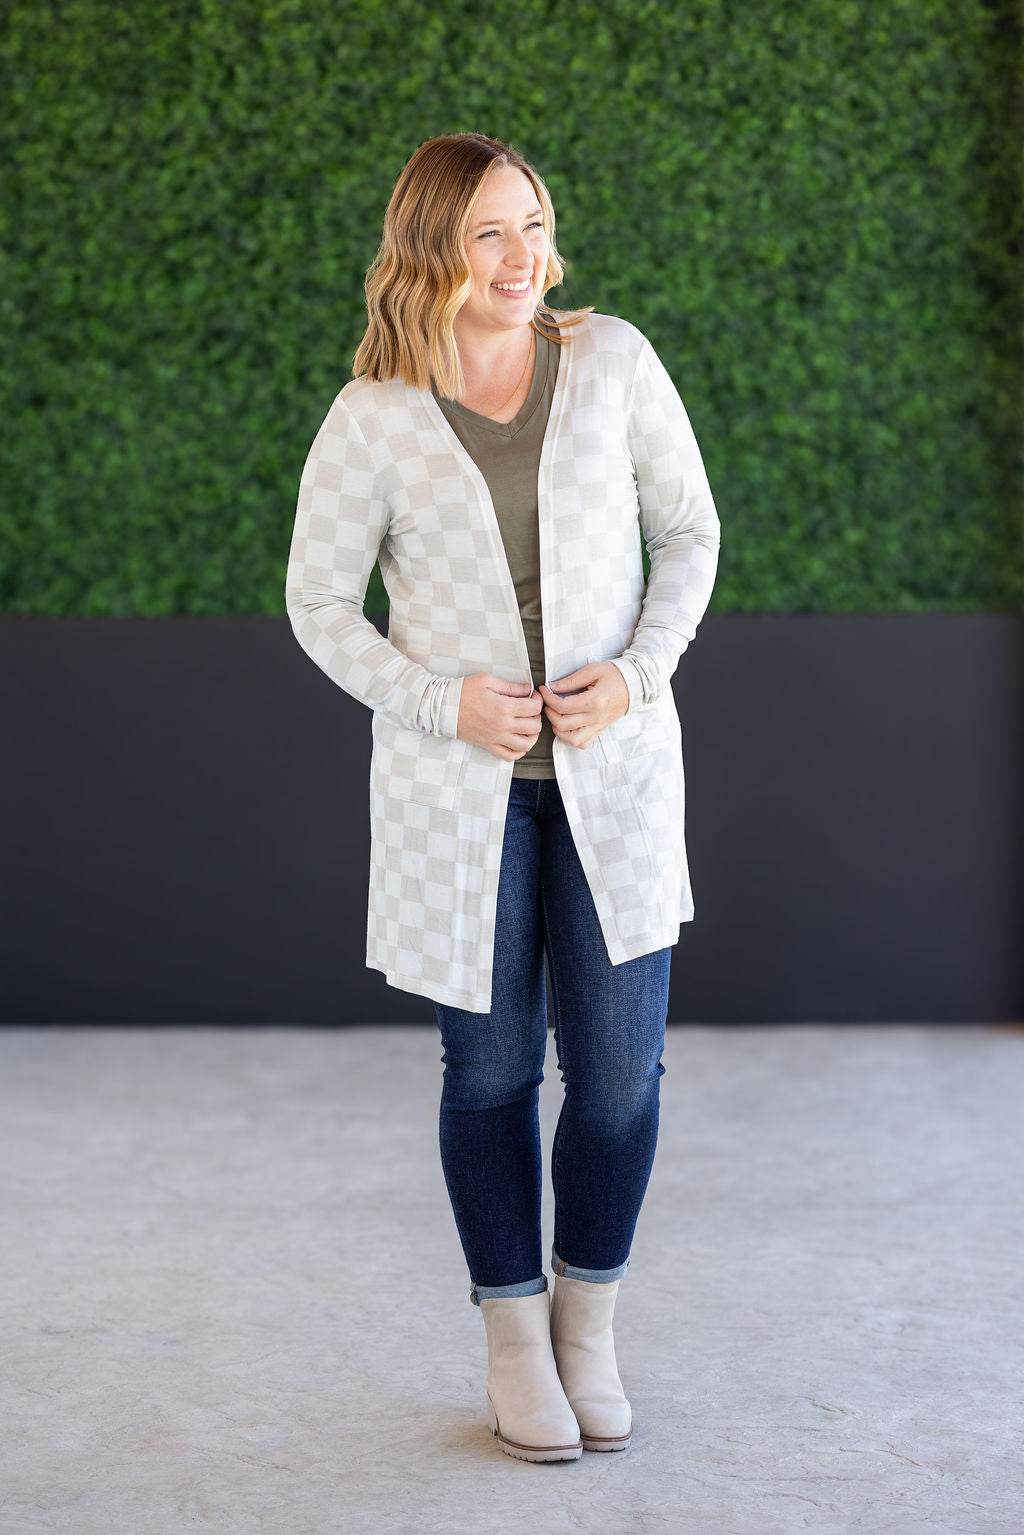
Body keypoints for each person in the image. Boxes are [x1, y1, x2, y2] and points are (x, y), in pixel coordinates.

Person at [285, 132, 720, 1463]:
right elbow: (318, 603)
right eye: (488, 230)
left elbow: (689, 533)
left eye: (532, 223)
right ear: (432, 245)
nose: (522, 255)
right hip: (459, 798)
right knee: (487, 1075)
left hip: (614, 780)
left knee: (620, 1079)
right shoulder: (373, 415)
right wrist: (442, 702)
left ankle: (589, 1326)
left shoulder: (614, 361)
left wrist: (636, 676)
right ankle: (513, 1337)